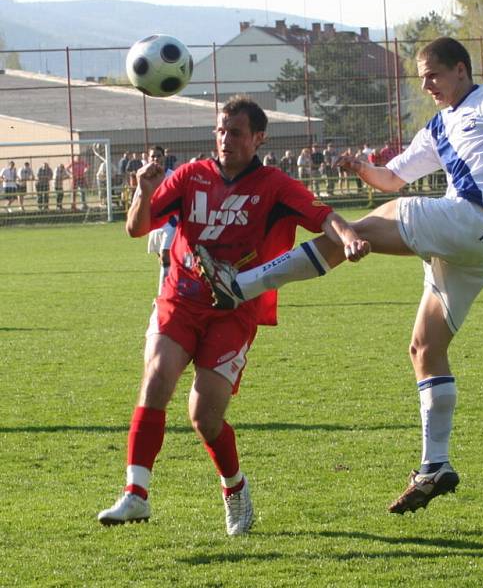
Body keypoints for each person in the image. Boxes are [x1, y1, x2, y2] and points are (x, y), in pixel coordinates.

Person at [194, 37, 483, 515]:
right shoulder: (438, 128)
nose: (427, 85)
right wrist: (362, 168)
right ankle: (435, 464)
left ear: (461, 69)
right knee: (425, 348)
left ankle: (243, 284)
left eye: (433, 75)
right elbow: (393, 177)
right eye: (422, 78)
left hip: (478, 222)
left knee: (362, 226)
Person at [96, 95, 369, 535]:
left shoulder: (274, 184)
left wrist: (350, 237)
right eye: (221, 131)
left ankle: (235, 487)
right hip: (179, 300)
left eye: (236, 132)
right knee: (155, 380)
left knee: (205, 416)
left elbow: (324, 216)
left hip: (232, 312)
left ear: (258, 137)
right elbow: (136, 227)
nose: (225, 140)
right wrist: (144, 192)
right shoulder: (190, 176)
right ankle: (136, 494)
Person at [144, 146, 177, 294]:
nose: (155, 159)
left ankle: (162, 296)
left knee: (165, 256)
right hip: (154, 224)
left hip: (171, 222)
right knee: (163, 261)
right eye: (153, 157)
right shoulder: (144, 179)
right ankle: (173, 287)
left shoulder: (173, 176)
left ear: (164, 157)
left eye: (158, 156)